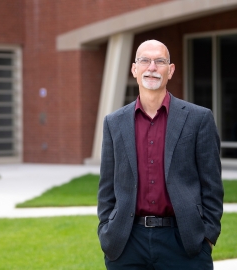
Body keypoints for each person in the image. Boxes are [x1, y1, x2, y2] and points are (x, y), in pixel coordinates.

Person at [97, 39, 224, 269]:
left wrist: (206, 235)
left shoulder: (199, 119)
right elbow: (106, 187)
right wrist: (106, 229)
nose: (152, 67)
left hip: (184, 243)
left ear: (171, 70)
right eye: (144, 60)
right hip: (126, 243)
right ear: (134, 69)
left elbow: (212, 186)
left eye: (160, 61)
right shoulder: (114, 123)